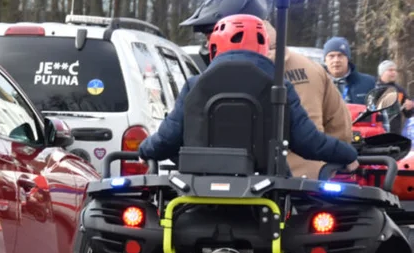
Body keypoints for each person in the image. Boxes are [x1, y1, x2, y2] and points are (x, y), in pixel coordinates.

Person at [139, 14, 358, 175]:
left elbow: (167, 139)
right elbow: (309, 142)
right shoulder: (280, 88)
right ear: (262, 46)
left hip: (199, 193)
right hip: (267, 196)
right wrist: (347, 155)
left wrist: (145, 149)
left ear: (215, 46)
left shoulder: (195, 86)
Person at [263, 22, 353, 178]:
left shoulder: (229, 73)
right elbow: (339, 123)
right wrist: (340, 157)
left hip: (247, 181)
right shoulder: (313, 68)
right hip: (310, 178)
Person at [322, 37, 375, 105]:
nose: (336, 60)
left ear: (348, 58)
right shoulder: (316, 83)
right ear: (325, 60)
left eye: (340, 55)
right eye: (331, 56)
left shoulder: (368, 83)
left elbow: (377, 112)